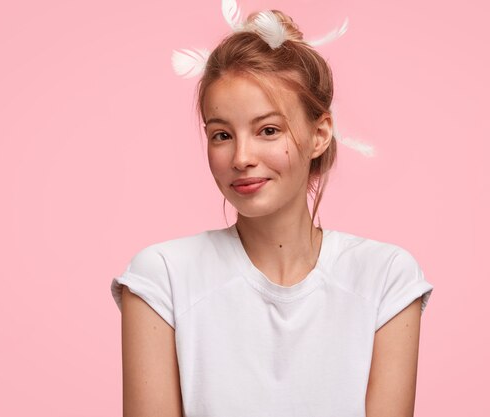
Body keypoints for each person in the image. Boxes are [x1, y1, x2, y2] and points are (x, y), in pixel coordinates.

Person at [111, 8, 433, 417]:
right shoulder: (163, 277)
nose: (242, 157)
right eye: (222, 135)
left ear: (319, 134)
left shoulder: (385, 277)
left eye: (268, 130)